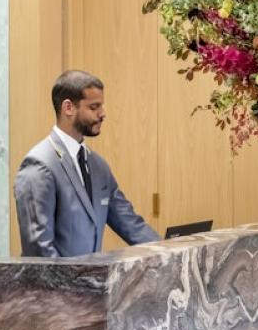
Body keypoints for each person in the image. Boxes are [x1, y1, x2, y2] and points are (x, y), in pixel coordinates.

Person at [14, 70, 159, 256]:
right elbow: (39, 250)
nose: (102, 114)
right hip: (58, 276)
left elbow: (131, 224)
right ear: (68, 107)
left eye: (101, 106)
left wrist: (170, 251)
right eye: (94, 107)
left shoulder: (98, 165)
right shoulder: (39, 165)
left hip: (92, 276)